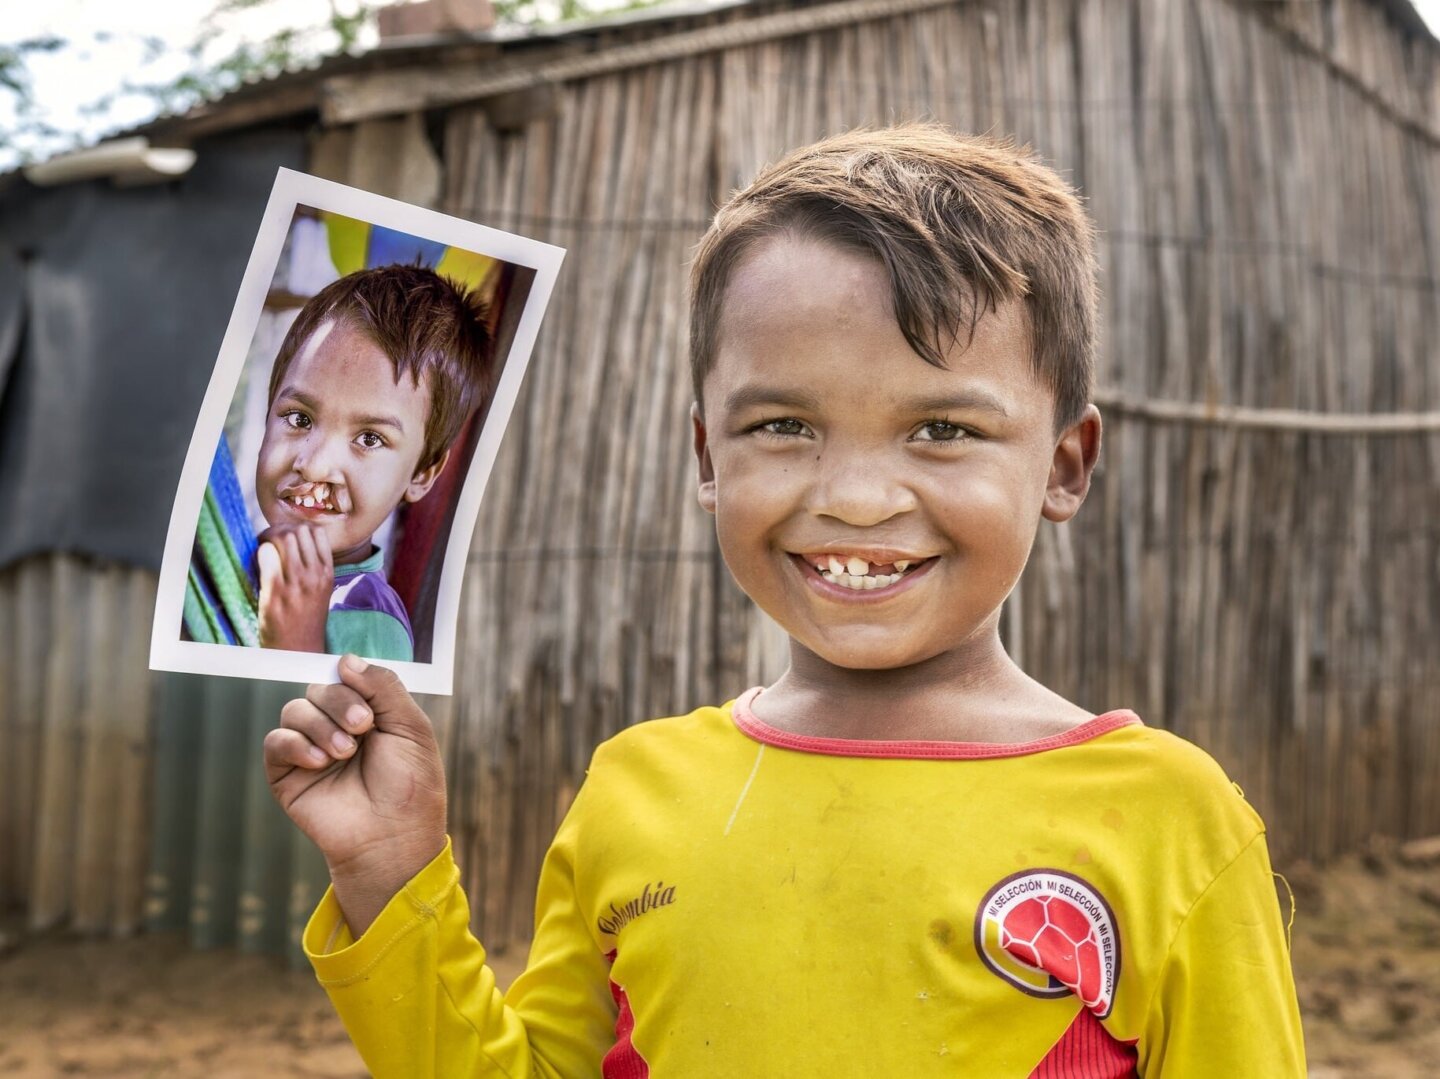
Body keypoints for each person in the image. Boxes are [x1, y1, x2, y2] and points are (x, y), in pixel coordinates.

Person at [264, 125, 1305, 1075]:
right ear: (708, 454)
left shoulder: (1169, 821)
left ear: (1064, 465)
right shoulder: (638, 790)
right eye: (785, 427)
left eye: (942, 427)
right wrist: (389, 872)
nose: (854, 498)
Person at [252, 263, 494, 661]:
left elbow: (350, 723)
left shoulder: (371, 626)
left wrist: (295, 645)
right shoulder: (236, 555)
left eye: (369, 438)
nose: (314, 466)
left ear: (422, 473)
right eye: (299, 418)